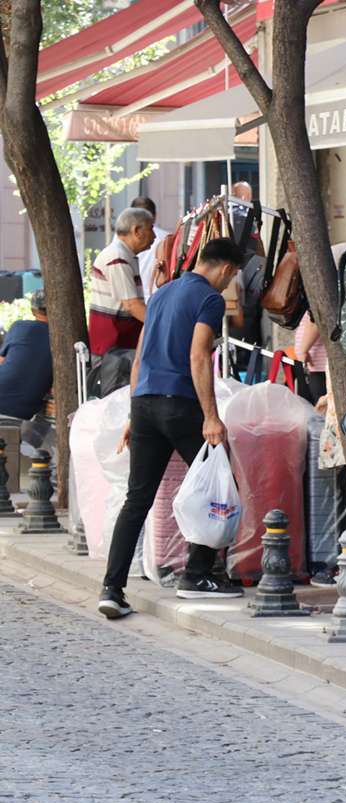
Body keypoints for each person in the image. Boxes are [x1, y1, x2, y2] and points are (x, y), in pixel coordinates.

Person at [97, 238, 247, 620]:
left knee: (137, 499)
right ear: (227, 269)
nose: (229, 284)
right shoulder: (210, 301)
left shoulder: (161, 294)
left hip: (145, 404)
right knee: (217, 478)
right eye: (232, 277)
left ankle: (112, 589)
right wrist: (211, 416)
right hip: (179, 404)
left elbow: (140, 357)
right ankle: (197, 574)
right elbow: (199, 356)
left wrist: (134, 414)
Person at [88, 206, 156, 356]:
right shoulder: (117, 257)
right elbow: (132, 305)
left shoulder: (123, 255)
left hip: (118, 346)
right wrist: (163, 326)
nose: (155, 236)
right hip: (114, 349)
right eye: (151, 229)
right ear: (137, 231)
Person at [0, 291, 52, 420]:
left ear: (33, 310)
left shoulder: (19, 327)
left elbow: (2, 361)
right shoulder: (64, 338)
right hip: (25, 410)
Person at [131, 196, 169, 297]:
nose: (153, 236)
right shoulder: (166, 239)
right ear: (155, 216)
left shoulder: (121, 238)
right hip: (155, 300)